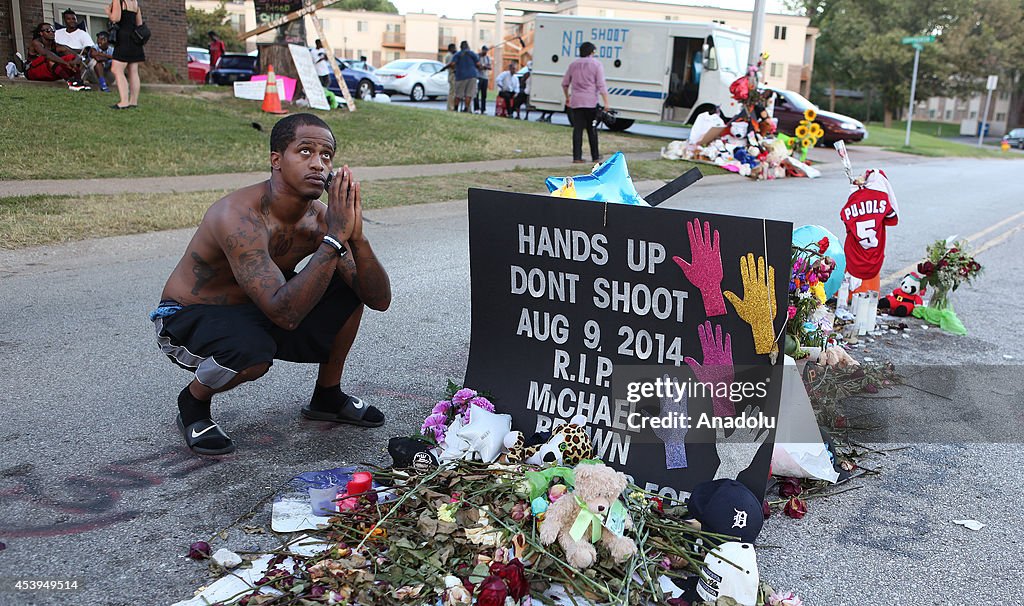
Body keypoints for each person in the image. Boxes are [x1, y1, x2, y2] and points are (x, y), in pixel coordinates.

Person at [152, 113, 392, 456]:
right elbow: (285, 316)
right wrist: (335, 239)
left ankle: (327, 395)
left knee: (347, 284)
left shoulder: (322, 218)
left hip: (261, 306)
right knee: (252, 354)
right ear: (276, 160)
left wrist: (357, 237)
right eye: (305, 151)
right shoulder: (238, 216)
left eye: (326, 156)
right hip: (190, 315)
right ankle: (193, 403)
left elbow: (378, 298)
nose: (318, 164)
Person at [562, 41, 611, 163]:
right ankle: (595, 156)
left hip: (576, 101)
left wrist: (567, 97)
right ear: (591, 52)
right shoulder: (597, 65)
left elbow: (565, 83)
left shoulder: (573, 65)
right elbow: (601, 85)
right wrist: (606, 103)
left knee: (577, 129)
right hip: (590, 102)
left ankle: (577, 157)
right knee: (592, 129)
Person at [55, 9, 108, 91]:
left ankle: (103, 85)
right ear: (64, 20)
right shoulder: (58, 33)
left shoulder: (83, 34)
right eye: (69, 19)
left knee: (94, 62)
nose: (72, 21)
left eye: (74, 19)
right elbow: (54, 47)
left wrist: (68, 49)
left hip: (78, 58)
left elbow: (88, 50)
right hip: (60, 58)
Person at [24, 22, 88, 89]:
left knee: (71, 58)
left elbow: (76, 55)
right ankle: (71, 83)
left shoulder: (56, 46)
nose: (51, 32)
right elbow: (46, 54)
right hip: (31, 72)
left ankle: (79, 82)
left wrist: (74, 62)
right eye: (48, 31)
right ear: (41, 33)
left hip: (48, 73)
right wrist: (65, 63)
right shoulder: (36, 43)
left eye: (53, 31)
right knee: (51, 59)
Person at [106, 0, 145, 110]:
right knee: (133, 70)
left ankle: (124, 102)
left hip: (123, 39)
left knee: (116, 69)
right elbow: (139, 23)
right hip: (134, 39)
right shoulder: (135, 2)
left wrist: (109, 12)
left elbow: (116, 18)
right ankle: (133, 101)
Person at [445, 41, 480, 113]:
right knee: (468, 94)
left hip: (461, 76)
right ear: (467, 46)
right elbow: (478, 64)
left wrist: (455, 68)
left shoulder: (457, 54)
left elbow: (453, 64)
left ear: (460, 47)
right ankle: (466, 109)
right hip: (472, 76)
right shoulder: (472, 54)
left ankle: (455, 108)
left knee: (458, 94)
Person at [474, 45, 492, 114]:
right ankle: (476, 108)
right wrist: (483, 66)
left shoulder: (487, 58)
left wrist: (484, 66)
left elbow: (489, 67)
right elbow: (478, 66)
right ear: (482, 50)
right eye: (484, 51)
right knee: (476, 93)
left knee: (484, 95)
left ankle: (483, 109)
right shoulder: (478, 57)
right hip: (478, 77)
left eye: (487, 51)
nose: (486, 52)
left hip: (485, 77)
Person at [442, 43, 457, 111]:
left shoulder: (451, 55)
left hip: (452, 75)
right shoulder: (450, 56)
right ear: (451, 48)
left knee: (453, 92)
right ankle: (450, 108)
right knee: (452, 93)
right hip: (452, 74)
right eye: (454, 48)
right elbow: (452, 65)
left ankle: (451, 107)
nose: (455, 49)